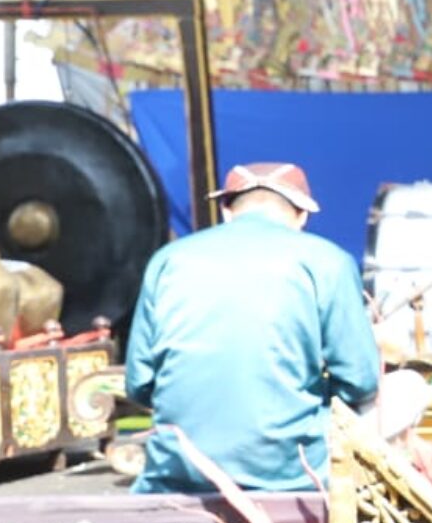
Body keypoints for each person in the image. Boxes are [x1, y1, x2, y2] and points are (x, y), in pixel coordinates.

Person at [125, 162, 380, 493]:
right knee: (409, 390)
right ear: (303, 215)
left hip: (179, 469)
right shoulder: (328, 261)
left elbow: (139, 384)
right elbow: (361, 382)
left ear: (226, 211)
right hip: (295, 470)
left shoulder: (167, 260)